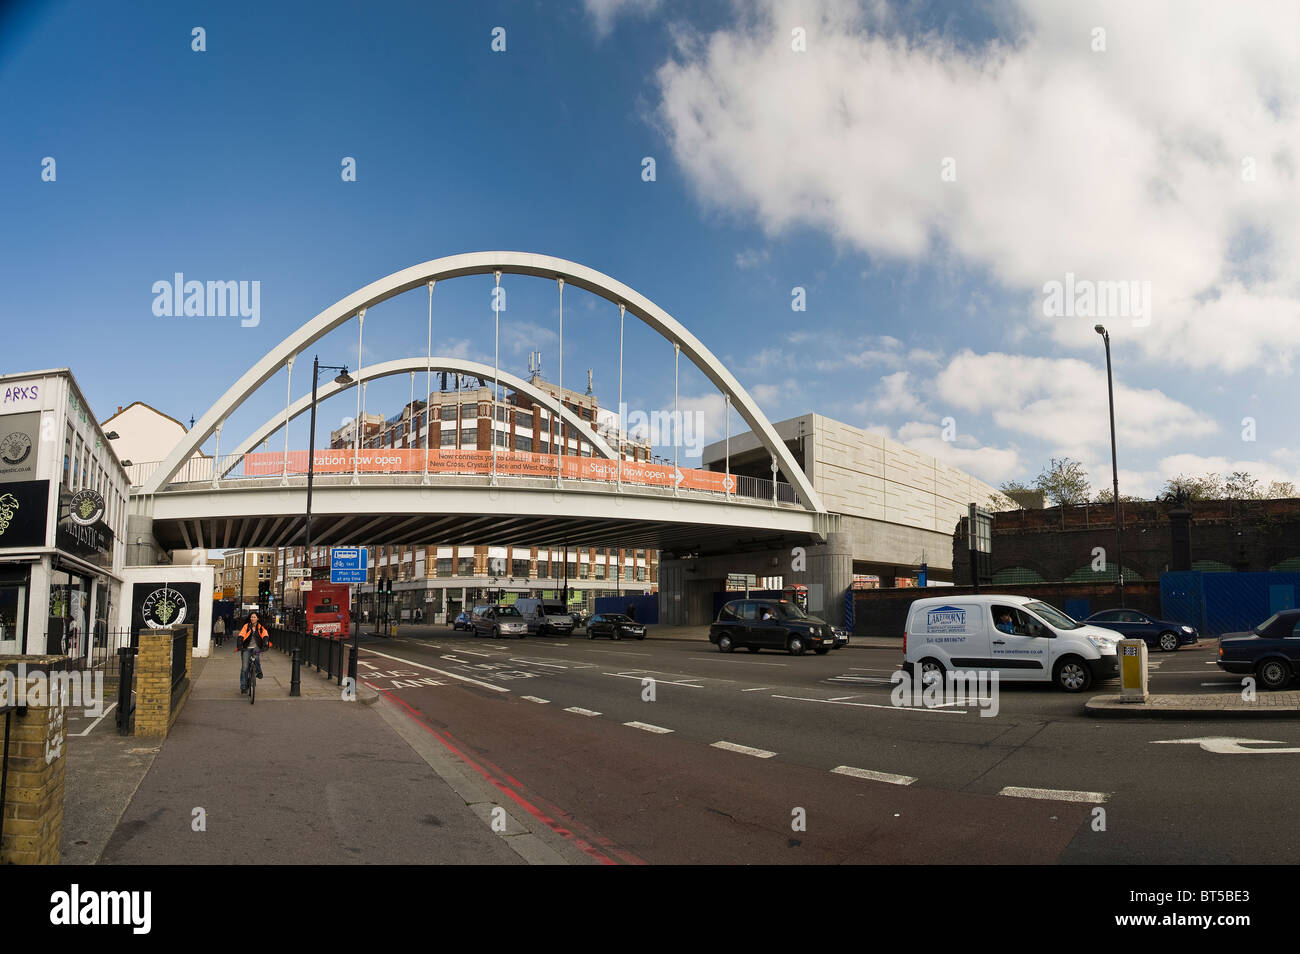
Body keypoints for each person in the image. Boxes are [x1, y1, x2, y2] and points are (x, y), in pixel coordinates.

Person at [235, 611, 272, 694]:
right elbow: (241, 635)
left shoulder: (261, 627)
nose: (252, 618)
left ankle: (258, 671)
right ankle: (243, 686)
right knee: (244, 668)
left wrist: (266, 644)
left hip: (256, 647)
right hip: (246, 648)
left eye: (254, 617)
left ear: (257, 618)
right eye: (251, 617)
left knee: (257, 657)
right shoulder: (246, 626)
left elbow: (265, 635)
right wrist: (239, 645)